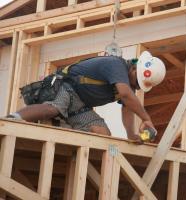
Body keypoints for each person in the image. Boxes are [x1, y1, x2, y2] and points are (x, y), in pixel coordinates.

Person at [7, 51, 166, 142]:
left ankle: (65, 138)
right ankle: (11, 120)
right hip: (67, 87)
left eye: (139, 86)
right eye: (137, 82)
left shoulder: (126, 85)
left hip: (81, 106)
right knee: (53, 109)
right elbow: (125, 93)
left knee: (102, 133)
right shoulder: (116, 65)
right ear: (134, 69)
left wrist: (131, 134)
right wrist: (146, 118)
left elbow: (127, 108)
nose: (136, 87)